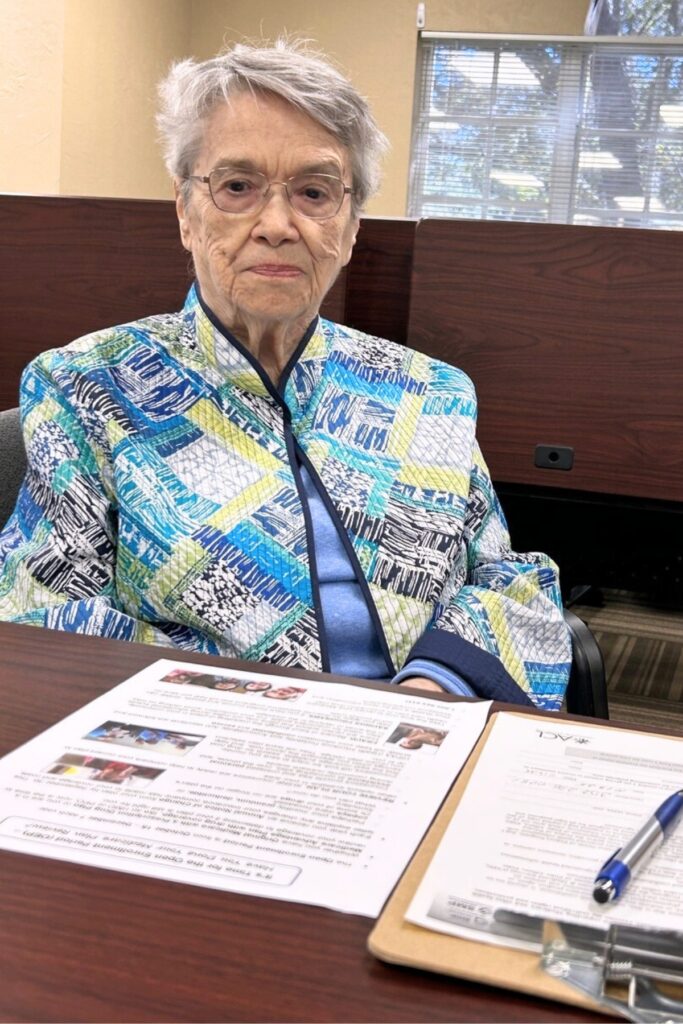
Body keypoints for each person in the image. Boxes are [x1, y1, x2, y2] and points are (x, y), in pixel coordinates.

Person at [0, 40, 570, 710]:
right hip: (209, 756)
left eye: (314, 192)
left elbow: (508, 580)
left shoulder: (428, 393)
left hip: (420, 736)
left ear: (351, 225)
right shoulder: (88, 388)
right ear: (186, 212)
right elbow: (41, 617)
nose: (276, 224)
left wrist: (433, 687)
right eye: (237, 186)